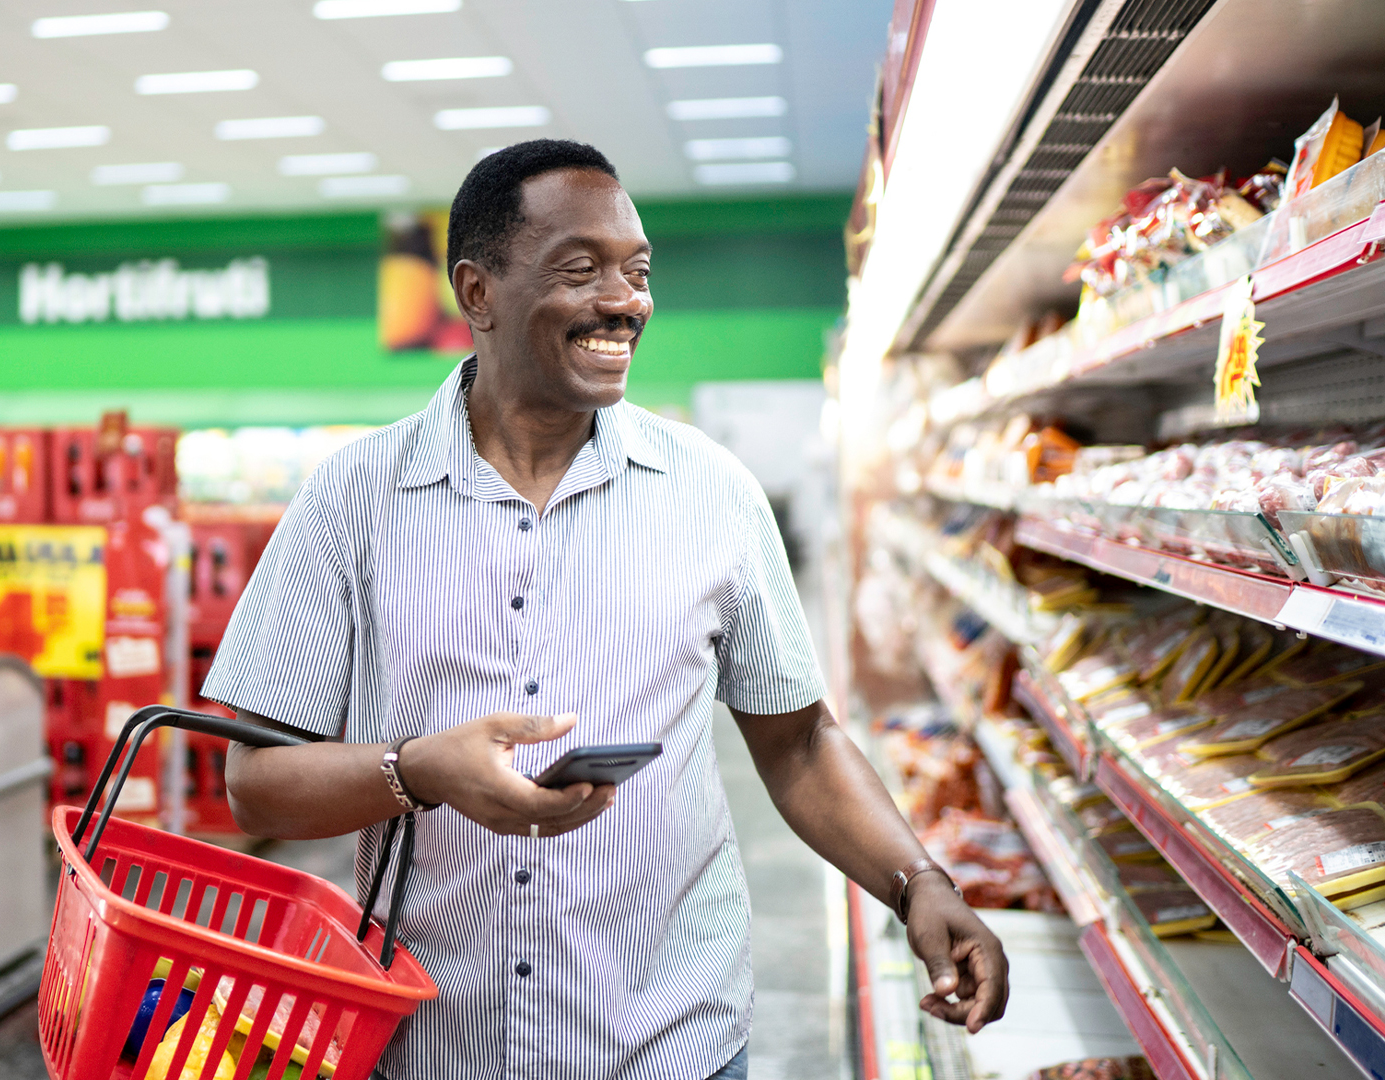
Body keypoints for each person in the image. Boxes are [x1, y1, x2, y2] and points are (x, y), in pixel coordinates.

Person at [203, 139, 1007, 1080]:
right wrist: (418, 770)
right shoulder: (353, 499)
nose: (625, 301)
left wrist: (918, 882)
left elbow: (798, 741)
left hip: (672, 1042)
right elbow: (256, 783)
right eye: (580, 270)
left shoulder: (713, 492)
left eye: (638, 271)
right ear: (477, 292)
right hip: (434, 1042)